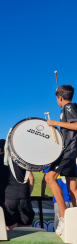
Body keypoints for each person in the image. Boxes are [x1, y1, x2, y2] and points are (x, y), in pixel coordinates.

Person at [45, 85, 77, 235]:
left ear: (60, 98)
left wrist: (55, 123)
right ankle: (75, 219)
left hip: (68, 151)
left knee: (49, 177)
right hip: (71, 150)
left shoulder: (69, 107)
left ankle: (64, 217)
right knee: (72, 187)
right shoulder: (68, 108)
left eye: (57, 98)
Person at [0, 139, 35, 230]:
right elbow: (31, 178)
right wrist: (27, 194)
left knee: (10, 230)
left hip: (6, 199)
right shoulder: (21, 160)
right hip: (23, 197)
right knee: (25, 230)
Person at [41, 165, 77, 231]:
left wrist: (42, 193)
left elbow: (44, 181)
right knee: (73, 222)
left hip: (59, 199)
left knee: (60, 224)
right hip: (73, 198)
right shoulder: (73, 165)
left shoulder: (50, 166)